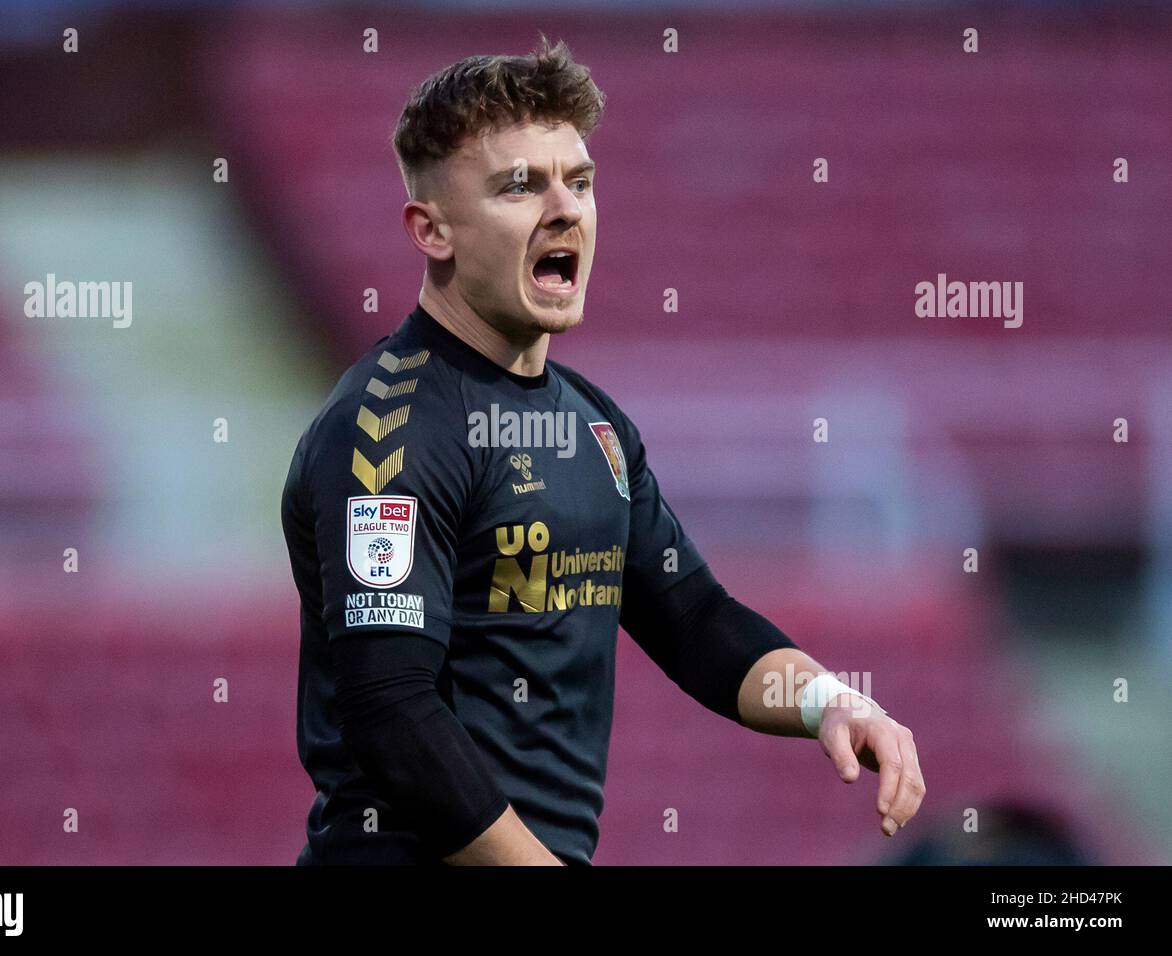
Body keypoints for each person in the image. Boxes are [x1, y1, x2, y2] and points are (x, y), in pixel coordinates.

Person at [281, 36, 925, 865]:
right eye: (521, 186)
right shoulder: (389, 426)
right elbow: (393, 710)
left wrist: (831, 701)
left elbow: (694, 618)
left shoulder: (594, 426)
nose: (566, 209)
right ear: (430, 229)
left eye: (578, 181)